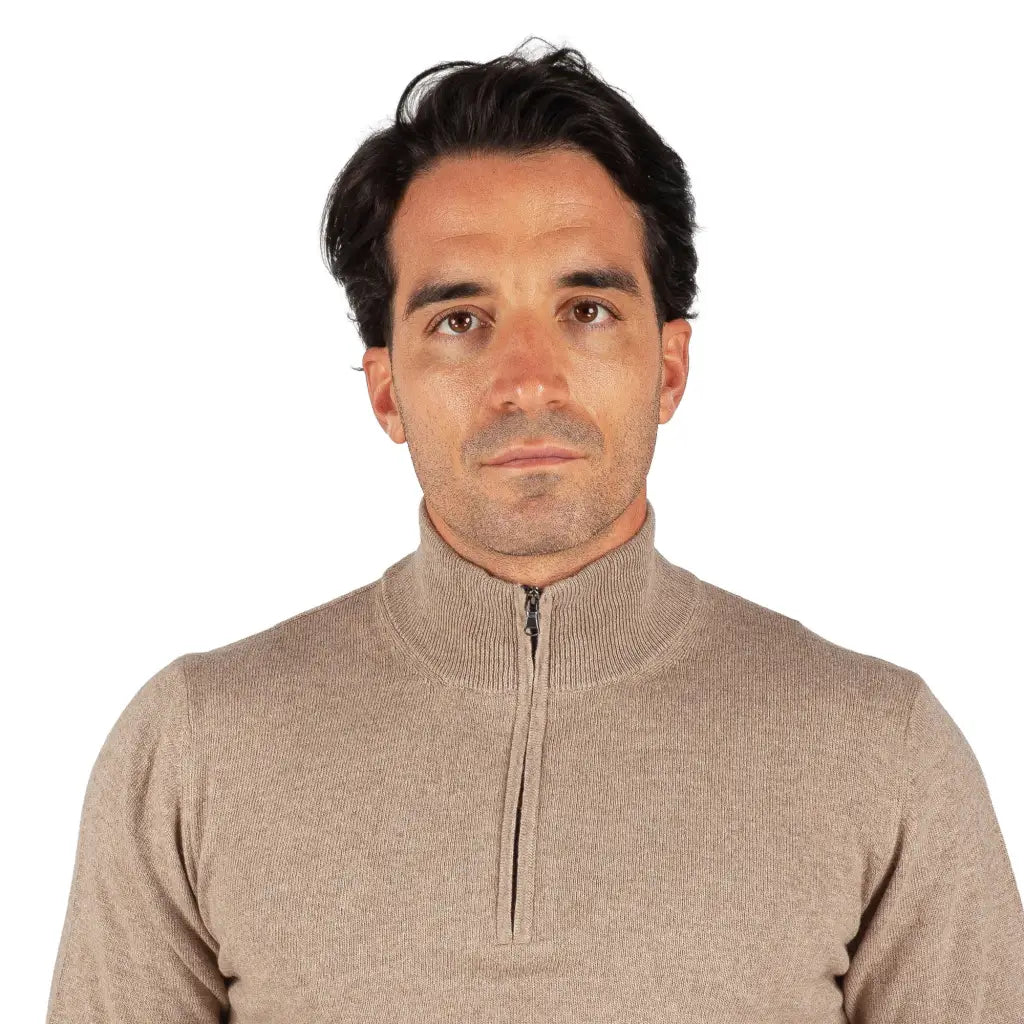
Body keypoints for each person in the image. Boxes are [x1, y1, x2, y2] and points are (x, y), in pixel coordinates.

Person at [46, 38, 1024, 1024]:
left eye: (586, 310)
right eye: (460, 321)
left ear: (669, 368)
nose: (527, 381)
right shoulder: (194, 748)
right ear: (385, 389)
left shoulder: (882, 750)